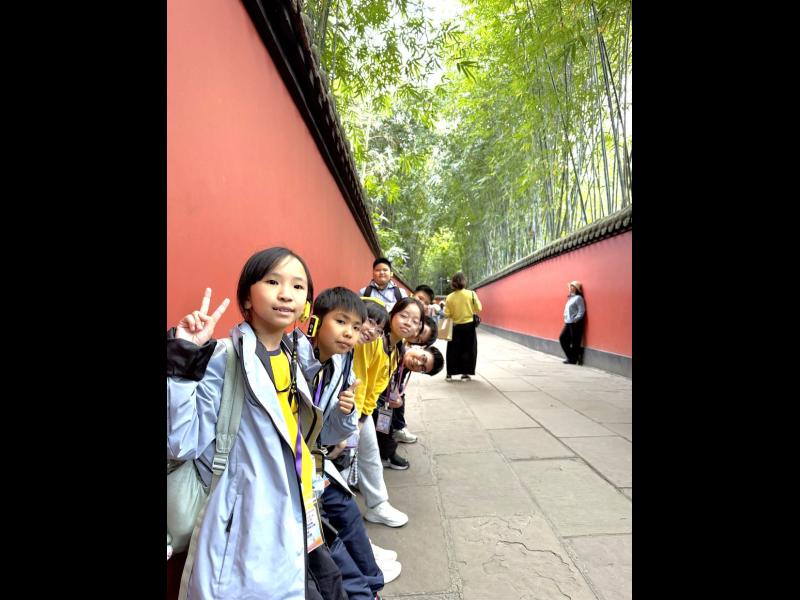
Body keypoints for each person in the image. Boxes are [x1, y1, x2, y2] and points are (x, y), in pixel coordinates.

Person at [166, 247, 347, 599]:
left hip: (299, 509)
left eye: (298, 286)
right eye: (273, 282)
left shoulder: (295, 355)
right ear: (247, 297)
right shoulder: (224, 358)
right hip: (247, 527)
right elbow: (182, 441)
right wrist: (184, 357)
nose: (286, 294)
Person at [443, 271, 482, 381]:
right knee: (468, 350)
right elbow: (479, 308)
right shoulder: (471, 294)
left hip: (455, 326)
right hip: (469, 326)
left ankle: (449, 374)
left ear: (453, 283)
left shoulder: (449, 297)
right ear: (464, 281)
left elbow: (447, 314)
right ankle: (465, 374)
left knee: (452, 350)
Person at [559, 280, 586, 365]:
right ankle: (572, 357)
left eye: (573, 286)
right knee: (562, 338)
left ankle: (573, 360)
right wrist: (565, 317)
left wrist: (576, 319)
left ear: (576, 289)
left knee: (575, 341)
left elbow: (581, 310)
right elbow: (567, 310)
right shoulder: (570, 298)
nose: (571, 288)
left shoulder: (578, 298)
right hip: (568, 322)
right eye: (570, 286)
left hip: (575, 323)